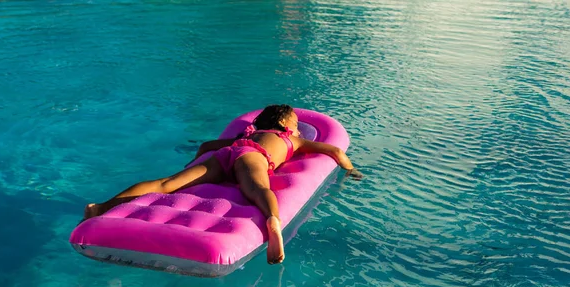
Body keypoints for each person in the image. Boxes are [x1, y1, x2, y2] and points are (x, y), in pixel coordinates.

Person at [83, 104, 362, 264]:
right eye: (296, 122)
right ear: (286, 125)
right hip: (254, 158)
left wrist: (193, 164)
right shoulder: (293, 140)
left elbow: (207, 145)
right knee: (258, 189)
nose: (299, 127)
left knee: (166, 184)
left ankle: (101, 206)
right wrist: (351, 171)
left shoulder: (251, 133)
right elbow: (335, 152)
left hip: (226, 155)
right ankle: (273, 222)